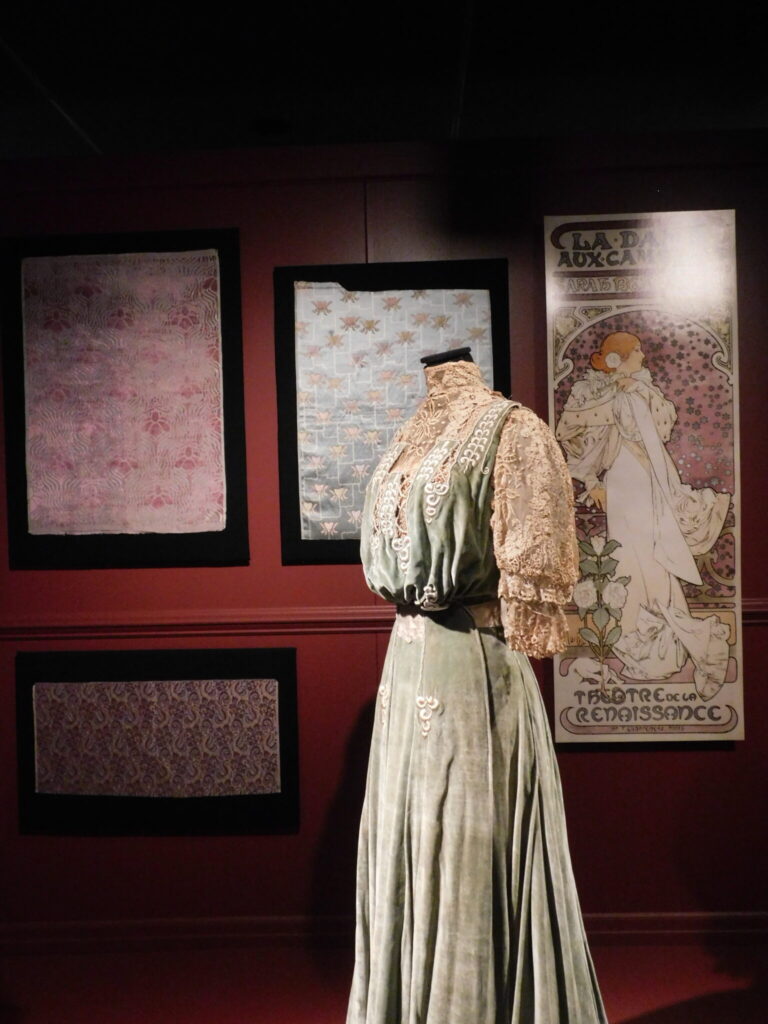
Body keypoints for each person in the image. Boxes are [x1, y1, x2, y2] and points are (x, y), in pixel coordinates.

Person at [347, 350, 606, 1024]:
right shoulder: (408, 435)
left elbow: (535, 574)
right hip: (405, 668)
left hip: (473, 669)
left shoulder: (513, 430)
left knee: (469, 852)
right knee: (408, 846)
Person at [555, 331, 730, 698]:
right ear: (617, 358)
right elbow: (570, 434)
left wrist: (638, 392)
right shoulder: (597, 393)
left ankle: (672, 647)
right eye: (636, 350)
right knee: (629, 564)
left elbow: (659, 435)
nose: (642, 356)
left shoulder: (641, 389)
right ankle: (646, 647)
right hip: (623, 482)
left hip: (647, 482)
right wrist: (592, 481)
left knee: (655, 562)